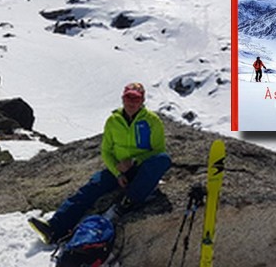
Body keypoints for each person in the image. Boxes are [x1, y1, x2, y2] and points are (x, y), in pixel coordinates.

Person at [28, 83, 171, 244]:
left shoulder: (152, 121)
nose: (131, 102)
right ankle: (54, 228)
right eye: (128, 97)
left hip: (141, 168)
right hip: (118, 169)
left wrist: (134, 161)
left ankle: (129, 201)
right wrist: (117, 173)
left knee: (163, 160)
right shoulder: (113, 121)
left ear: (142, 100)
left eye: (136, 98)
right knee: (90, 189)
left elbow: (158, 150)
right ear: (123, 99)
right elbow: (106, 151)